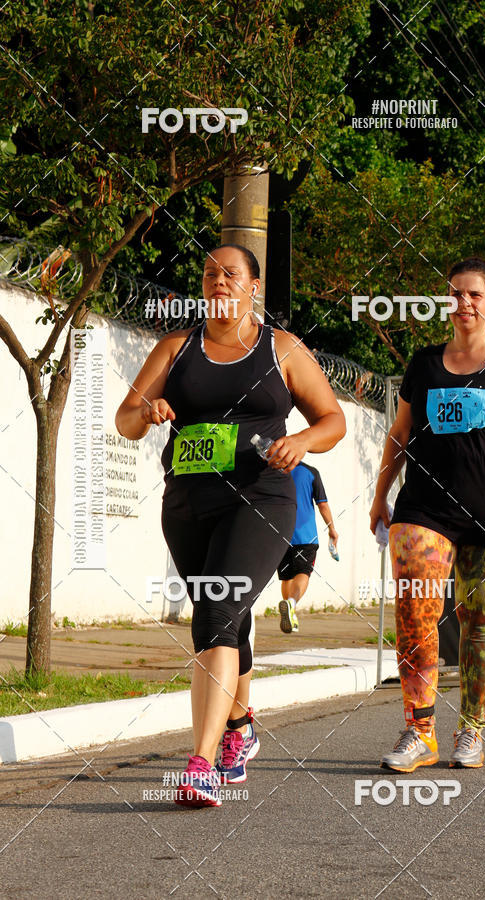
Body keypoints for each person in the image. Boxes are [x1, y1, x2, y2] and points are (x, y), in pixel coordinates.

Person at [115, 244, 345, 806]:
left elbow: (333, 419)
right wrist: (148, 412)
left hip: (261, 497)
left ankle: (200, 765)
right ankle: (239, 728)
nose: (219, 281)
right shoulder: (177, 346)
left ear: (253, 287)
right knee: (223, 619)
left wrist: (301, 442)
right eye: (210, 273)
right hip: (189, 500)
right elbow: (125, 419)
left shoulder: (281, 348)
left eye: (231, 274)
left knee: (217, 611)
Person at [369, 257, 485, 772]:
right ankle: (419, 730)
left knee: (484, 625)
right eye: (455, 294)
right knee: (415, 611)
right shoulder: (424, 364)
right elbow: (400, 435)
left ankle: (471, 731)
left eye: (475, 294)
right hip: (424, 509)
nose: (465, 302)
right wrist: (380, 492)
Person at [276, 462, 338, 633]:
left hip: (281, 534)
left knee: (287, 576)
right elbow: (322, 504)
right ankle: (291, 604)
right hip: (306, 536)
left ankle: (291, 613)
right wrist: (332, 529)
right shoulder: (311, 472)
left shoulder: (275, 470)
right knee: (303, 572)